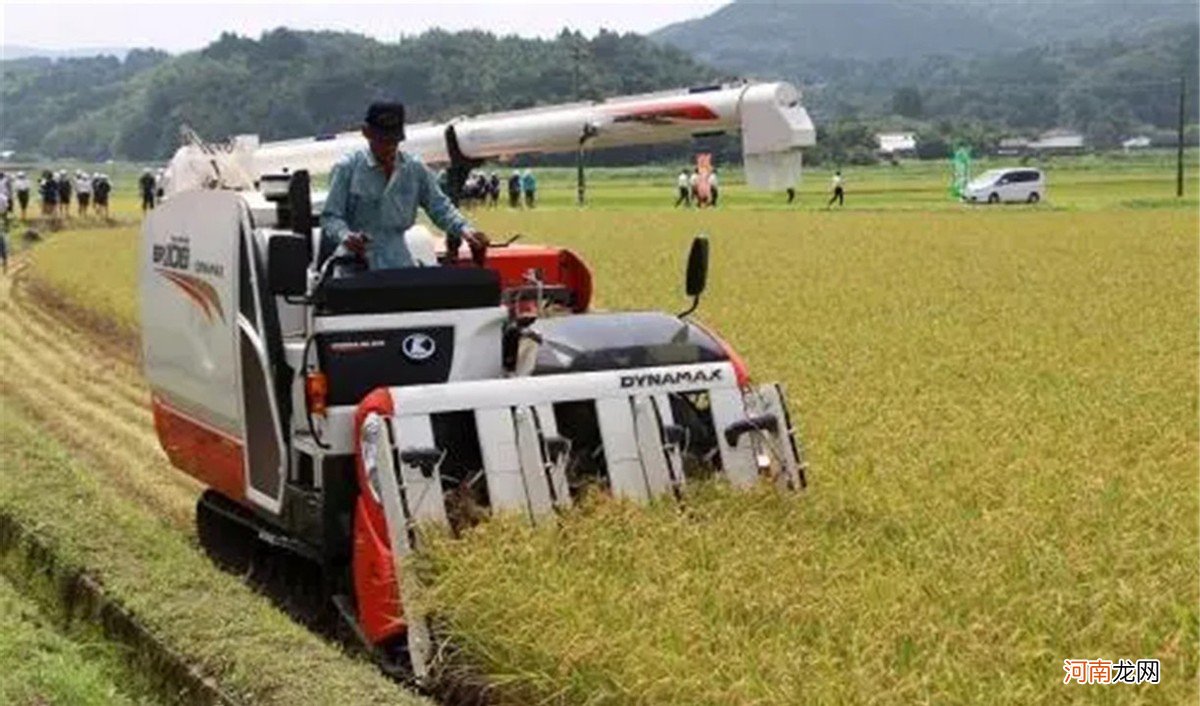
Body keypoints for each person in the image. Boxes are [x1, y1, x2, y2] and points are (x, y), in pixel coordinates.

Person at [321, 101, 488, 270]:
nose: (390, 147)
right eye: (382, 140)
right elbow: (331, 217)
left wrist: (465, 230)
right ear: (366, 133)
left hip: (399, 262)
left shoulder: (414, 169)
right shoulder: (347, 169)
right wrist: (345, 235)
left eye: (394, 141)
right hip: (354, 264)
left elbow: (440, 207)